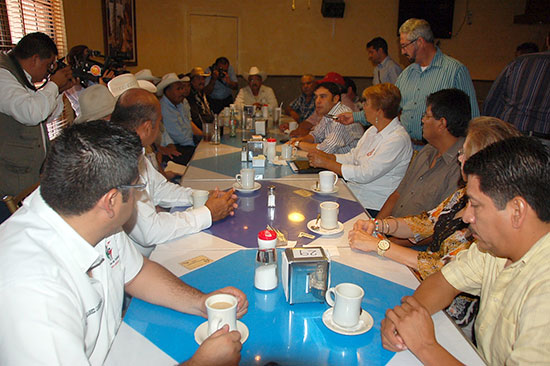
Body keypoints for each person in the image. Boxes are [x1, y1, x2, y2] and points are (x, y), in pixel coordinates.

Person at [0, 121, 248, 366]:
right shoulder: (32, 292)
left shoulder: (89, 216)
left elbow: (137, 272)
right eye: (137, 187)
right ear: (111, 201)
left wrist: (200, 302)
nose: (140, 194)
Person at [380, 136, 550, 365]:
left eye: (476, 205)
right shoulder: (493, 248)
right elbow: (443, 281)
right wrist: (407, 317)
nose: (467, 217)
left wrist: (425, 346)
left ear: (517, 211)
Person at [349, 117, 521, 333]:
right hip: (426, 290)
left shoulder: (494, 221)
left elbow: (444, 268)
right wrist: (378, 225)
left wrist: (380, 246)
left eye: (464, 153)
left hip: (452, 316)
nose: (459, 158)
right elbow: (427, 221)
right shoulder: (462, 194)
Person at [110, 88, 238, 257]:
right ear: (148, 127)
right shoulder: (118, 161)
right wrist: (207, 213)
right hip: (142, 259)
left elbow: (161, 189)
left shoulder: (135, 151)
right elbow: (150, 232)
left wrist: (202, 196)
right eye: (159, 123)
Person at [337, 19, 478, 149]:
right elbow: (388, 107)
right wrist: (355, 117)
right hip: (408, 146)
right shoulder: (406, 74)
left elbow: (473, 117)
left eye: (404, 46)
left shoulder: (454, 71)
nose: (402, 51)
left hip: (439, 150)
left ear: (420, 42)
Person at [307, 83, 412, 216]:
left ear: (379, 110)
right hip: (355, 193)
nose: (363, 108)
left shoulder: (397, 139)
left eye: (367, 104)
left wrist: (326, 163)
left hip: (373, 205)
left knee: (317, 211)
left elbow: (365, 174)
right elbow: (353, 156)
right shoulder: (373, 130)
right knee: (310, 202)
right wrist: (326, 156)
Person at [377, 88, 471, 219]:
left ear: (442, 123)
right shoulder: (427, 150)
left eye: (427, 116)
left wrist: (387, 239)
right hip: (391, 228)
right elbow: (397, 194)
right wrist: (375, 226)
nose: (422, 120)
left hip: (408, 236)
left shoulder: (461, 166)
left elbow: (437, 226)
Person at [0, 32, 74, 198]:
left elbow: (43, 117)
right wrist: (54, 84)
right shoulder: (3, 75)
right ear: (34, 59)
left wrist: (59, 91)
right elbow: (32, 113)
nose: (48, 73)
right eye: (48, 65)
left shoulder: (20, 76)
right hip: (9, 182)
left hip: (27, 175)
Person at [483, 34, 550, 137]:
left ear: (547, 40)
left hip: (511, 134)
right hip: (544, 139)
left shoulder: (519, 62)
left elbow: (492, 102)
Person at [289, 82, 363, 154]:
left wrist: (298, 144)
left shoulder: (341, 116)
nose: (317, 101)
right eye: (316, 97)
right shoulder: (328, 113)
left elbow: (325, 149)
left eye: (323, 96)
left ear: (335, 99)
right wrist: (299, 140)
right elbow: (315, 135)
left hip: (350, 163)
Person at [156, 72, 202, 166]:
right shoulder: (164, 108)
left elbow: (188, 125)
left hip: (186, 143)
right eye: (178, 89)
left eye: (182, 88)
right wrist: (196, 146)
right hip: (177, 147)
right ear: (167, 91)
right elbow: (180, 137)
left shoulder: (179, 103)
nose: (182, 92)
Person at [187, 66, 215, 131]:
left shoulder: (202, 93)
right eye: (198, 79)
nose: (202, 81)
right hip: (200, 130)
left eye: (203, 79)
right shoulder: (190, 96)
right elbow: (196, 118)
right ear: (192, 81)